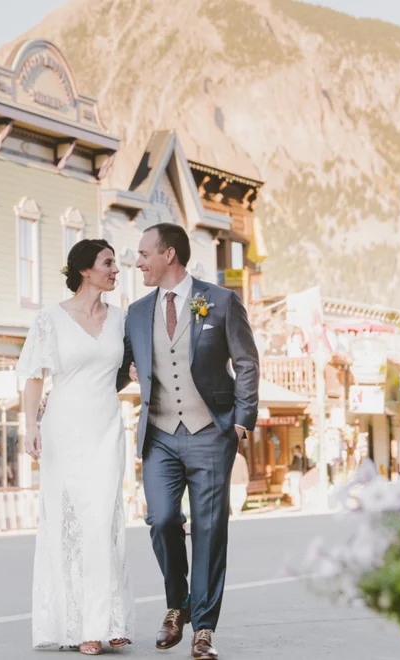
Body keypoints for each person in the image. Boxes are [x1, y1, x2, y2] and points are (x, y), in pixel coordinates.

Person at [118, 223, 259, 660]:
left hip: (211, 433)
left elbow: (247, 362)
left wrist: (241, 423)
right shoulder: (137, 311)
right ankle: (176, 605)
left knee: (210, 531)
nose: (137, 262)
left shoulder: (219, 301)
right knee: (160, 519)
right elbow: (121, 365)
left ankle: (203, 629)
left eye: (144, 254)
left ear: (170, 255)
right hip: (159, 435)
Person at [17, 239, 134, 656]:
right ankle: (82, 625)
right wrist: (30, 424)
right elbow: (33, 376)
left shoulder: (123, 319)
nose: (115, 270)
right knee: (70, 528)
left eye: (115, 264)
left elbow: (130, 367)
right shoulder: (49, 318)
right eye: (108, 263)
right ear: (86, 270)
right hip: (63, 429)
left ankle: (110, 620)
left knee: (104, 523)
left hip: (106, 427)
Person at [230, 450, 250, 516]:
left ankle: (237, 508)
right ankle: (235, 510)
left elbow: (244, 470)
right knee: (232, 498)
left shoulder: (241, 458)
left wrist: (246, 480)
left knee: (242, 496)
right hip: (231, 482)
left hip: (240, 482)